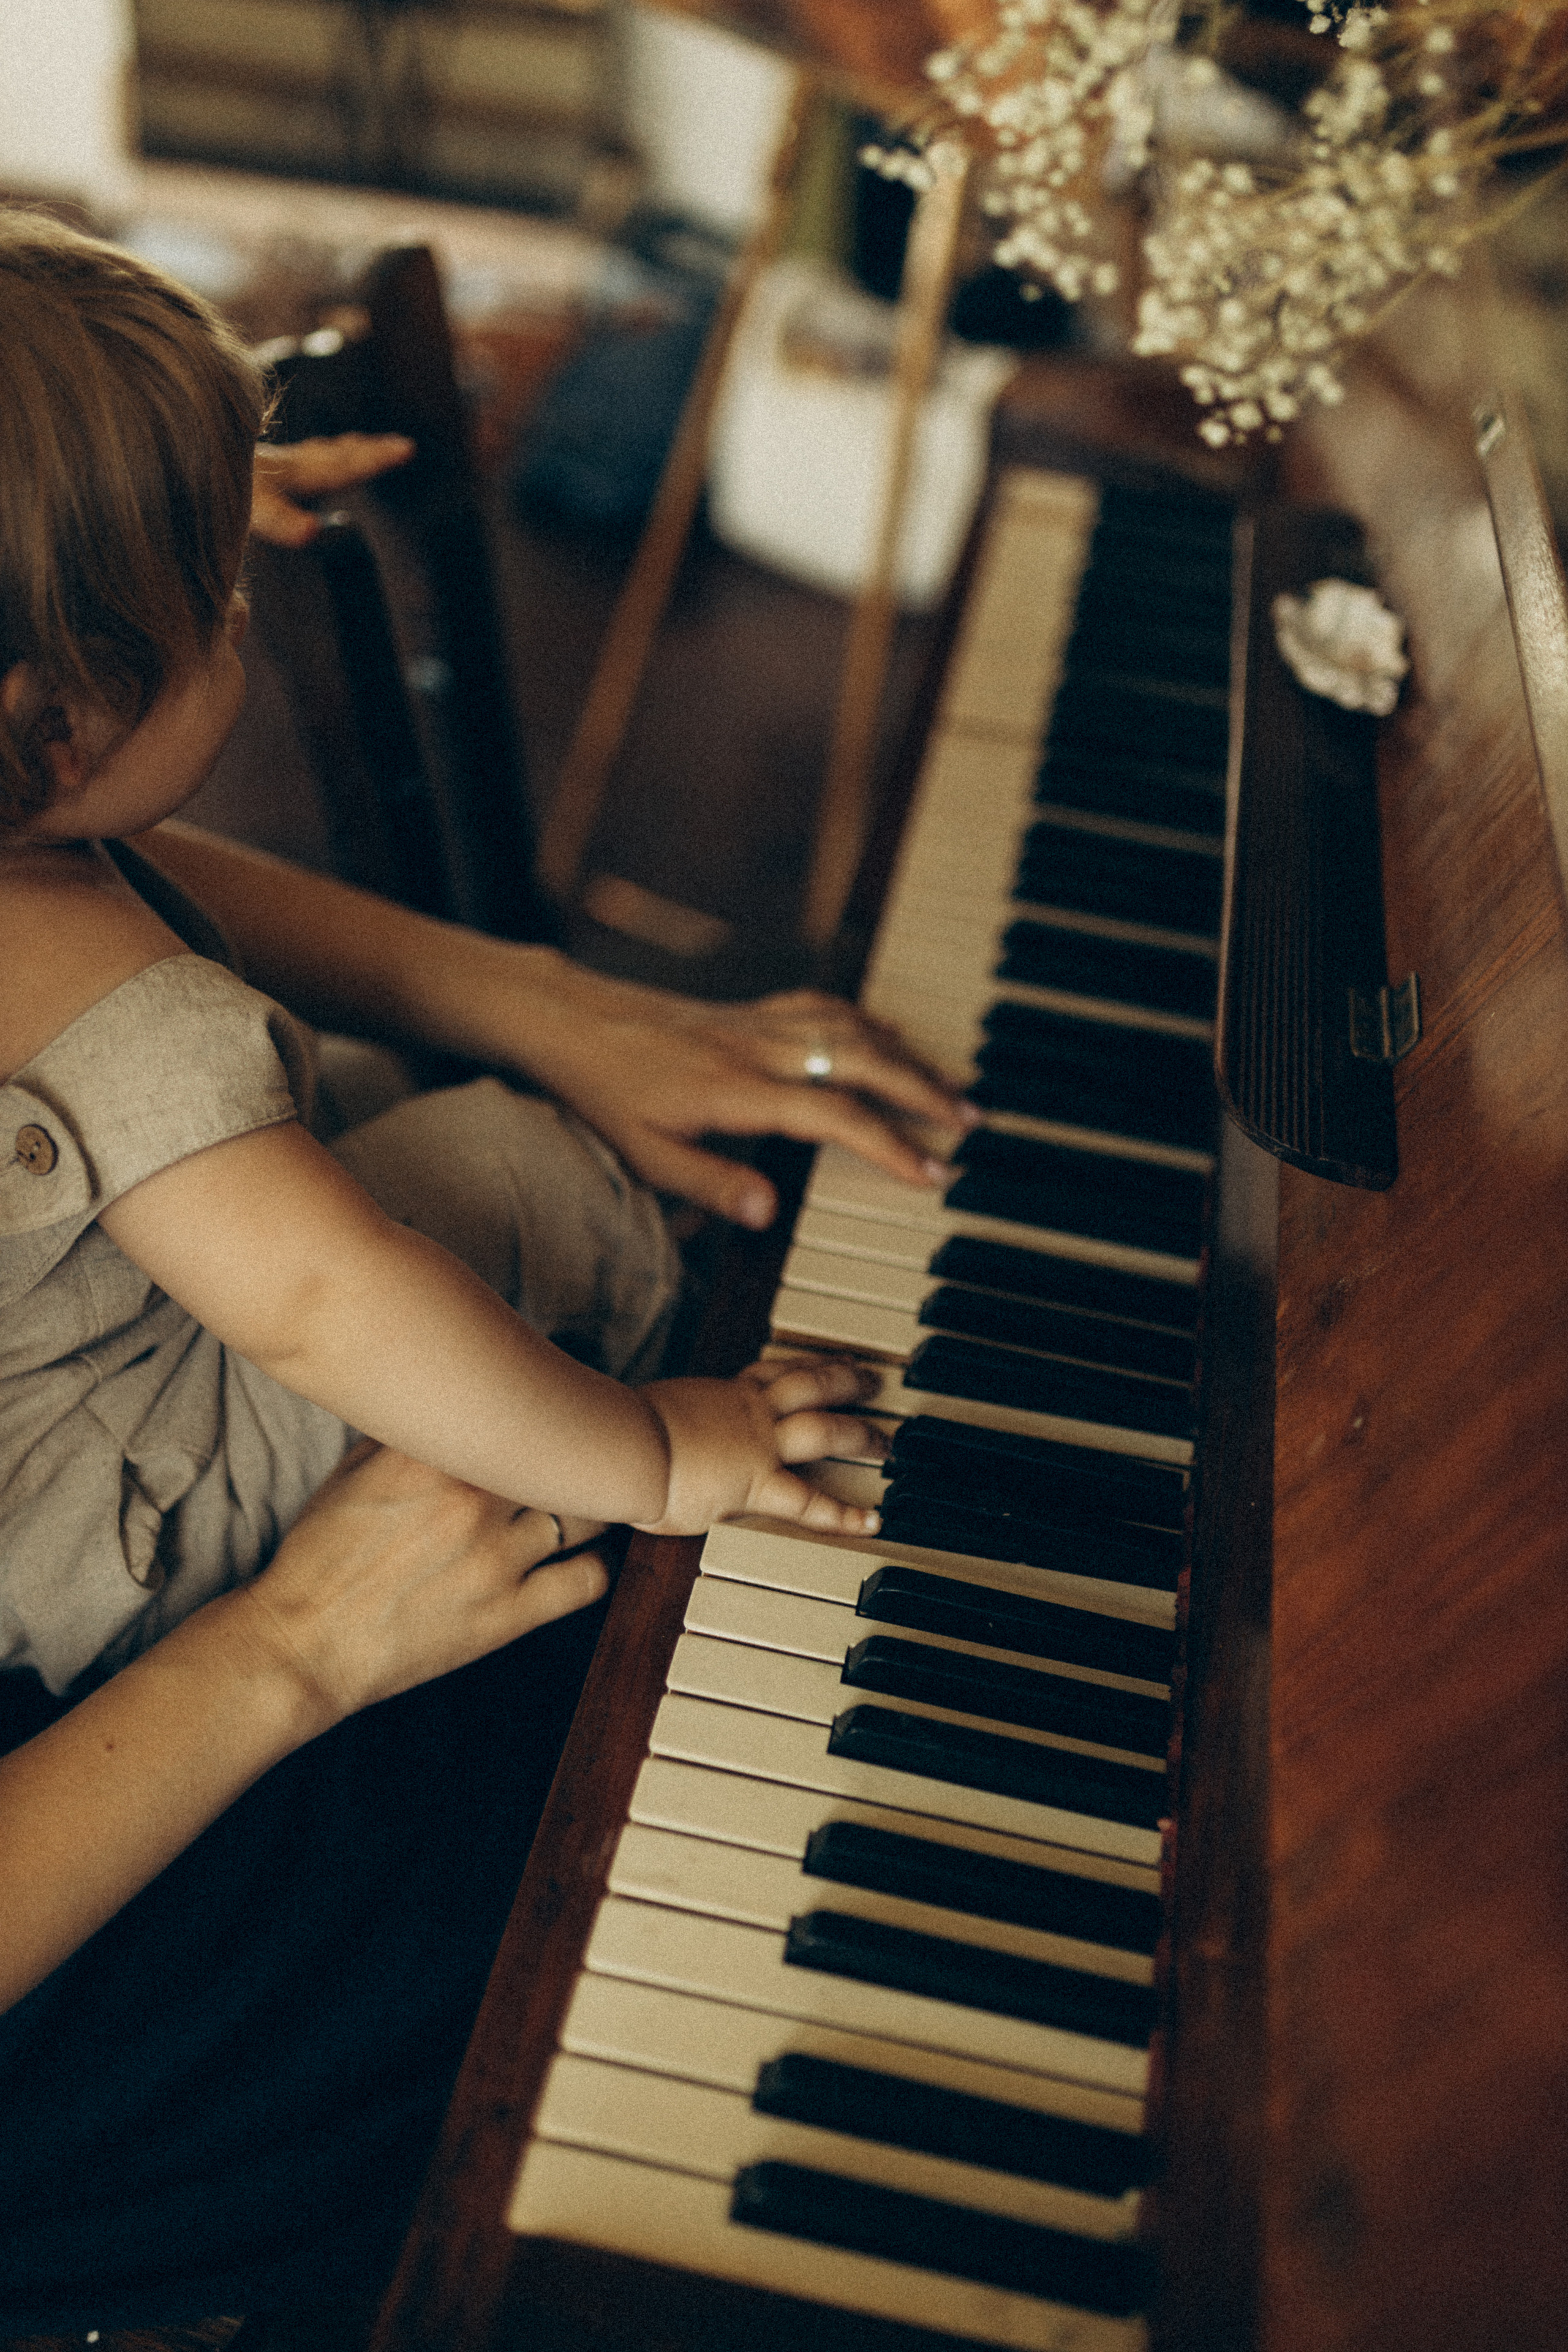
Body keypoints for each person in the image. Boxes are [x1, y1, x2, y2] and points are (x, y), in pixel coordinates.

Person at [0, 212, 970, 2332]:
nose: (245, 631)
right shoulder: (72, 948)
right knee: (495, 1192)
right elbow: (330, 1301)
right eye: (220, 613)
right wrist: (657, 1446)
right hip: (98, 1642)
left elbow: (105, 857)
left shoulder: (47, 849)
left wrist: (101, 518)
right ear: (51, 729)